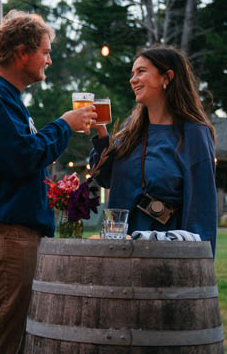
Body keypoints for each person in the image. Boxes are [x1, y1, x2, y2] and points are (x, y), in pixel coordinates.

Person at [0, 9, 95, 354]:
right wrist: (64, 125)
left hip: (16, 235)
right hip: (6, 237)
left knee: (14, 347)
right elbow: (23, 155)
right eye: (45, 51)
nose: (49, 59)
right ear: (22, 52)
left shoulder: (7, 98)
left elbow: (21, 161)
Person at [89, 44, 217, 257]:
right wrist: (102, 134)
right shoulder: (132, 129)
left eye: (141, 71)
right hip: (119, 246)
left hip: (163, 253)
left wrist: (199, 262)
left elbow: (202, 208)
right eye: (132, 73)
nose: (133, 79)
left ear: (166, 77)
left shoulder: (193, 133)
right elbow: (103, 178)